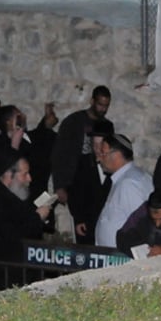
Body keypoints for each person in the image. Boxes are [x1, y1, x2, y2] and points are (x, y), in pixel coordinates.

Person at [51, 86, 112, 243]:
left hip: (96, 181)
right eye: (100, 104)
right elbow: (59, 155)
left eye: (106, 105)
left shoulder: (106, 126)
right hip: (74, 181)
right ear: (92, 101)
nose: (103, 109)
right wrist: (60, 185)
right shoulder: (74, 122)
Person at [94, 134, 150, 248]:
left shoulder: (129, 184)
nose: (98, 158)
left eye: (103, 153)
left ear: (117, 155)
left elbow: (142, 225)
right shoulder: (124, 178)